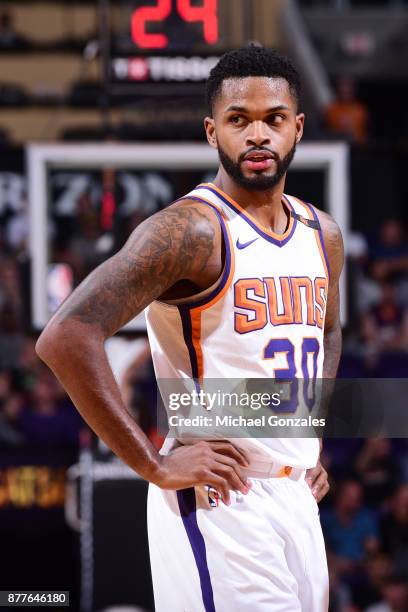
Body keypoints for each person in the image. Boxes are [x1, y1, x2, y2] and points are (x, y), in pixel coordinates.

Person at [36, 46, 344, 611]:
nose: (258, 135)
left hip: (297, 493)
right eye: (238, 120)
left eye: (273, 119)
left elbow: (326, 333)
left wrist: (309, 439)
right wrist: (151, 463)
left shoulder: (321, 234)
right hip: (221, 500)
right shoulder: (187, 232)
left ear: (297, 129)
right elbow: (66, 334)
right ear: (211, 131)